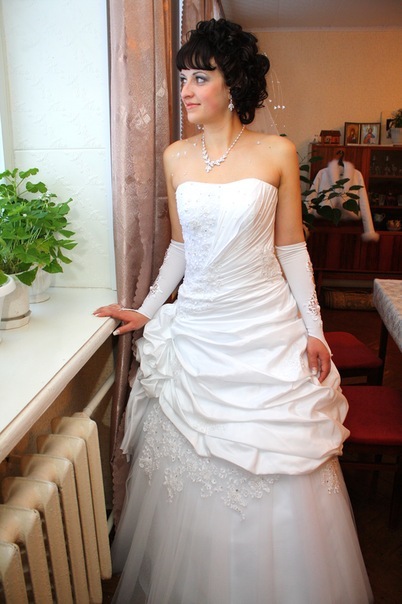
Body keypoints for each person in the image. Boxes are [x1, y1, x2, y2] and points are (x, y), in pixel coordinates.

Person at [94, 18, 373, 604]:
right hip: (199, 331)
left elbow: (291, 248)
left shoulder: (277, 151)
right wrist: (148, 309)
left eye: (200, 77)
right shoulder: (175, 156)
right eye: (183, 79)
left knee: (277, 454)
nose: (186, 90)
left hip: (265, 327)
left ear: (234, 83)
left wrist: (315, 330)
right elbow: (180, 247)